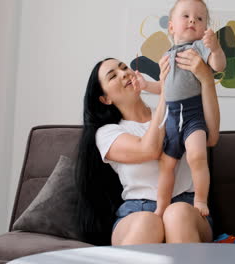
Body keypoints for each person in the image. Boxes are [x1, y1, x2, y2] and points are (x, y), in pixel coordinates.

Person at [75, 50, 220, 246]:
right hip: (138, 211)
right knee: (148, 221)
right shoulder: (107, 133)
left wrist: (206, 79)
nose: (124, 73)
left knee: (176, 214)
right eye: (113, 76)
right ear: (105, 99)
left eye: (124, 67)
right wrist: (167, 94)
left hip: (186, 208)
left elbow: (211, 137)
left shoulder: (177, 113)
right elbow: (149, 149)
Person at [153, 0, 226, 218]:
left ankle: (201, 200)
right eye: (185, 16)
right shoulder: (166, 56)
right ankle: (160, 206)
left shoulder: (199, 48)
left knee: (197, 156)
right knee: (166, 165)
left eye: (200, 18)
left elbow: (218, 65)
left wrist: (215, 47)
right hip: (172, 117)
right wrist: (144, 85)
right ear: (171, 26)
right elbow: (163, 87)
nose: (192, 20)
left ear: (204, 30)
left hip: (193, 115)